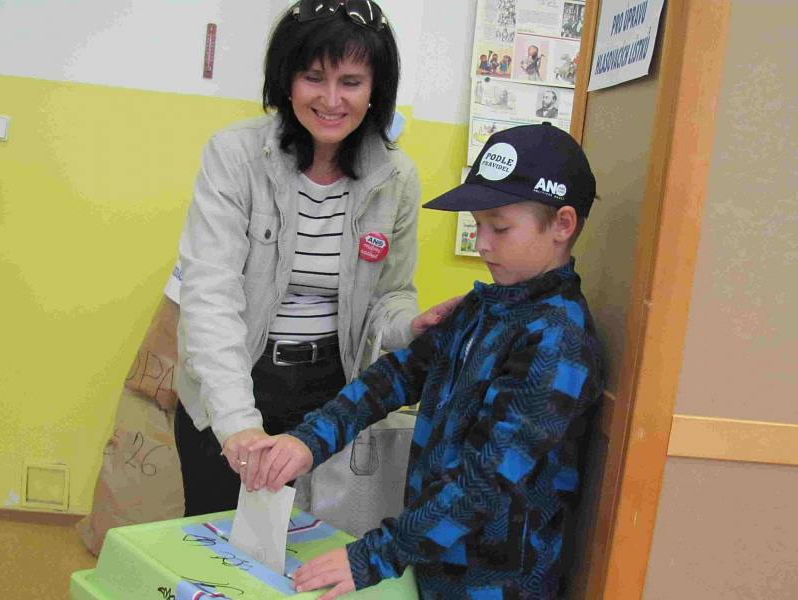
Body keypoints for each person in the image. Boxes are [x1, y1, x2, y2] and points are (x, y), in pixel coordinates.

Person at [250, 123, 604, 599]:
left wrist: (373, 556)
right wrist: (309, 440)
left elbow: (486, 481)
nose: (482, 244)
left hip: (498, 587)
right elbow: (392, 378)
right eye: (478, 226)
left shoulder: (559, 344)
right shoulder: (483, 309)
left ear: (562, 225)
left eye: (499, 228)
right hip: (434, 568)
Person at [174, 0, 460, 517]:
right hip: (235, 377)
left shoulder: (395, 178)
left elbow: (390, 296)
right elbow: (209, 295)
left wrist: (411, 325)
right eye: (314, 78)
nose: (331, 100)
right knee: (220, 545)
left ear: (375, 91)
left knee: (309, 550)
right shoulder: (234, 157)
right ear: (287, 81)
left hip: (331, 391)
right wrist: (239, 422)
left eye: (351, 81)